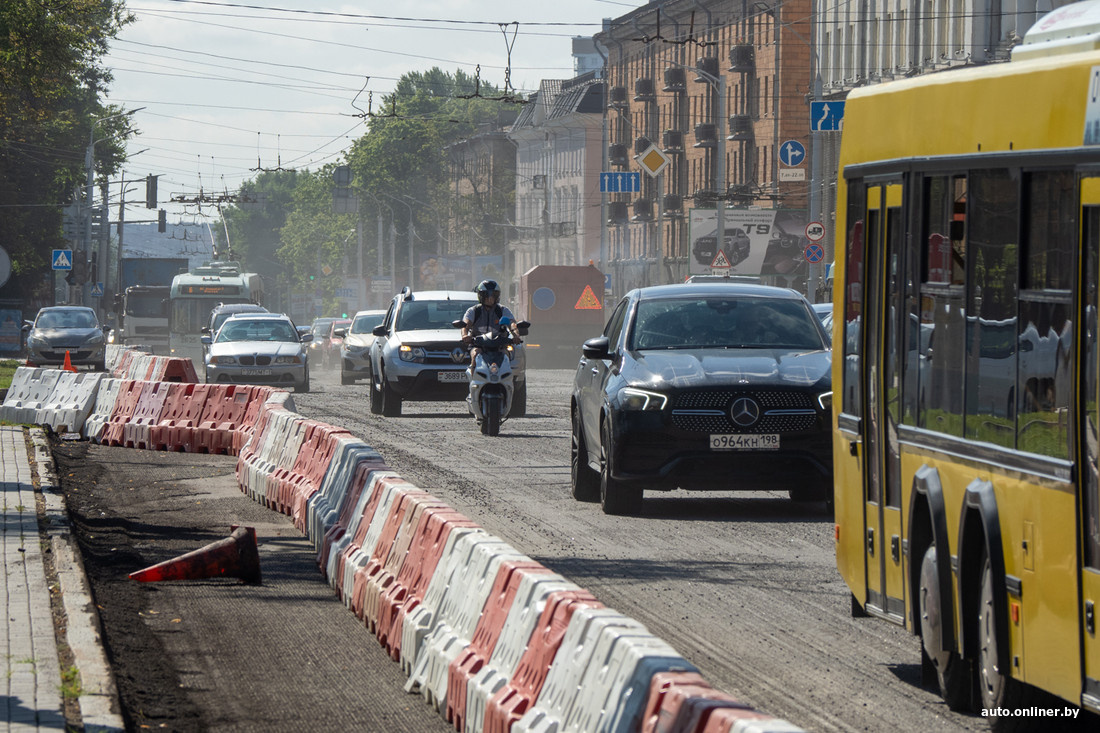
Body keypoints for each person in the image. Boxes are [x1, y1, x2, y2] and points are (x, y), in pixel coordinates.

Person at [461, 279, 521, 367]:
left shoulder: (503, 310)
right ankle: (474, 379)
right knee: (475, 355)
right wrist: (465, 335)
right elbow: (465, 325)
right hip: (479, 345)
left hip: (500, 346)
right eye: (486, 295)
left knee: (506, 357)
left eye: (493, 295)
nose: (490, 298)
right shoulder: (473, 311)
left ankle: (507, 380)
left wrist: (516, 335)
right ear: (481, 296)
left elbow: (512, 324)